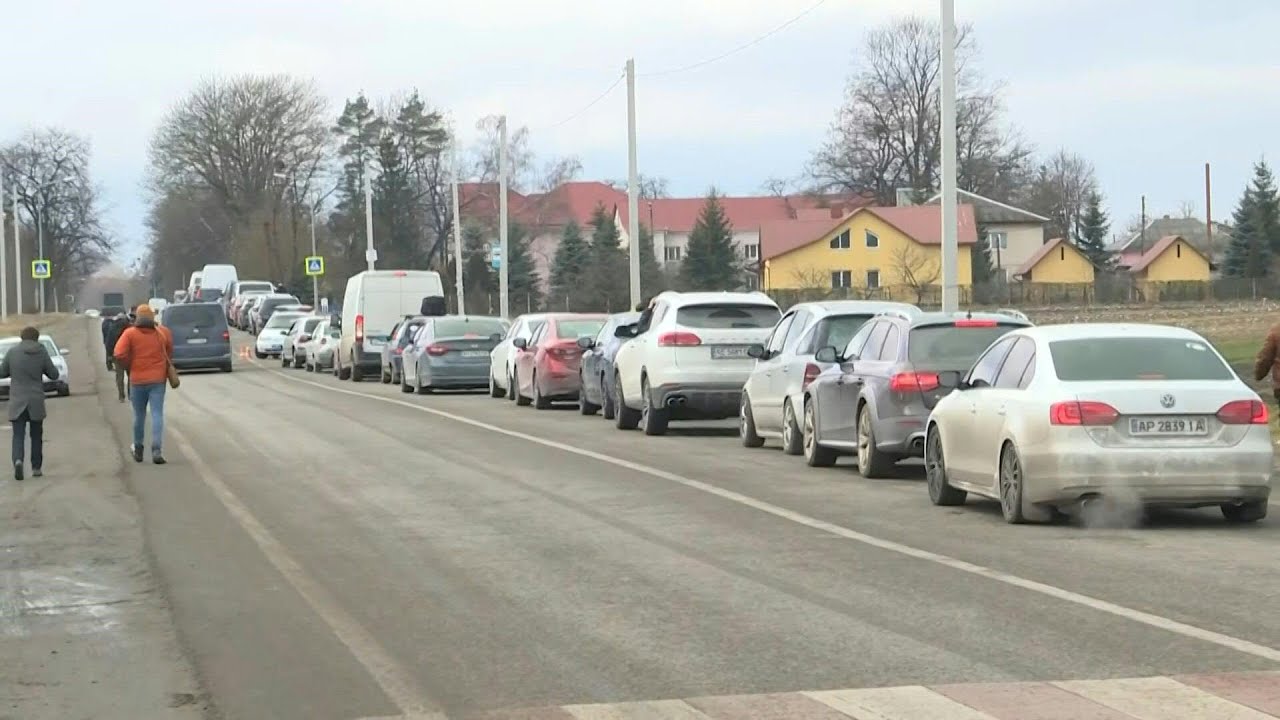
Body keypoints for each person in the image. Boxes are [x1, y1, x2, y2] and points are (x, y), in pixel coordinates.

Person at [114, 304, 173, 465]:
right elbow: (169, 352)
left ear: (137, 317)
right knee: (157, 414)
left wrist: (129, 365)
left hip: (137, 380)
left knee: (139, 416)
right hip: (158, 380)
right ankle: (156, 450)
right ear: (153, 317)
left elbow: (119, 353)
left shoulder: (130, 334)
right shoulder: (163, 333)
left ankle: (138, 448)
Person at [0, 326, 59, 480]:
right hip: (36, 400)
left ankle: (18, 460)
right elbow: (54, 374)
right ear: (36, 338)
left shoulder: (13, 352)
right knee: (36, 435)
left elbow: (2, 372)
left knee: (18, 435)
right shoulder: (41, 352)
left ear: (22, 337)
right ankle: (36, 467)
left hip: (17, 399)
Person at [104, 308, 133, 402]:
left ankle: (121, 396)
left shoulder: (112, 327)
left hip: (117, 355)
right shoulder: (129, 327)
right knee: (131, 376)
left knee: (119, 377)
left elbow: (108, 343)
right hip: (129, 355)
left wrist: (109, 357)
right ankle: (131, 395)